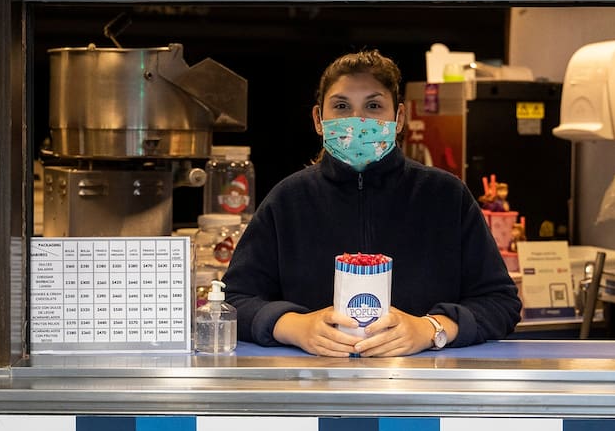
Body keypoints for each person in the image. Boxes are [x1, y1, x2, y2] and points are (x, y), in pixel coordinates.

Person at [223, 49, 522, 357]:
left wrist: (432, 329)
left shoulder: (446, 196)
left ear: (399, 118)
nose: (356, 120)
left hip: (424, 391)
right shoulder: (288, 200)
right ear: (318, 119)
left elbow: (500, 302)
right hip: (314, 389)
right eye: (341, 106)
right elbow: (234, 300)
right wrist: (295, 326)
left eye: (374, 106)